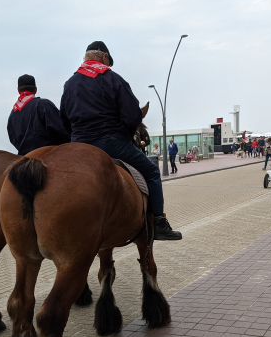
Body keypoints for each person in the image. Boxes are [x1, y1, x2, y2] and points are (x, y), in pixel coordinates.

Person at [60, 41, 181, 240]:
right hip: (110, 143)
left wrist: (76, 140)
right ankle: (159, 222)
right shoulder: (112, 79)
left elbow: (64, 118)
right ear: (104, 58)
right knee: (151, 172)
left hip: (79, 147)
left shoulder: (69, 84)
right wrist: (122, 134)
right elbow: (133, 116)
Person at [7, 74, 70, 155]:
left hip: (24, 157)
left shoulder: (13, 114)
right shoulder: (43, 104)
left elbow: (13, 139)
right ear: (35, 89)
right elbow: (62, 130)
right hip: (49, 155)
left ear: (18, 90)